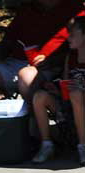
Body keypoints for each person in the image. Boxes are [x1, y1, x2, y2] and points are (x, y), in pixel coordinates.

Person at [0, 0, 84, 101]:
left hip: (51, 65)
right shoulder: (28, 9)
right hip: (18, 61)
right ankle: (2, 118)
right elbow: (8, 40)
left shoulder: (75, 9)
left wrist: (53, 60)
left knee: (27, 77)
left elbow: (79, 49)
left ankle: (32, 119)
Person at [32, 16, 85, 164]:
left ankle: (83, 146)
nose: (68, 38)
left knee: (76, 93)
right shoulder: (71, 56)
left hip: (81, 103)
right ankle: (47, 144)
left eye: (73, 34)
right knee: (39, 96)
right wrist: (56, 88)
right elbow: (65, 81)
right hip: (68, 105)